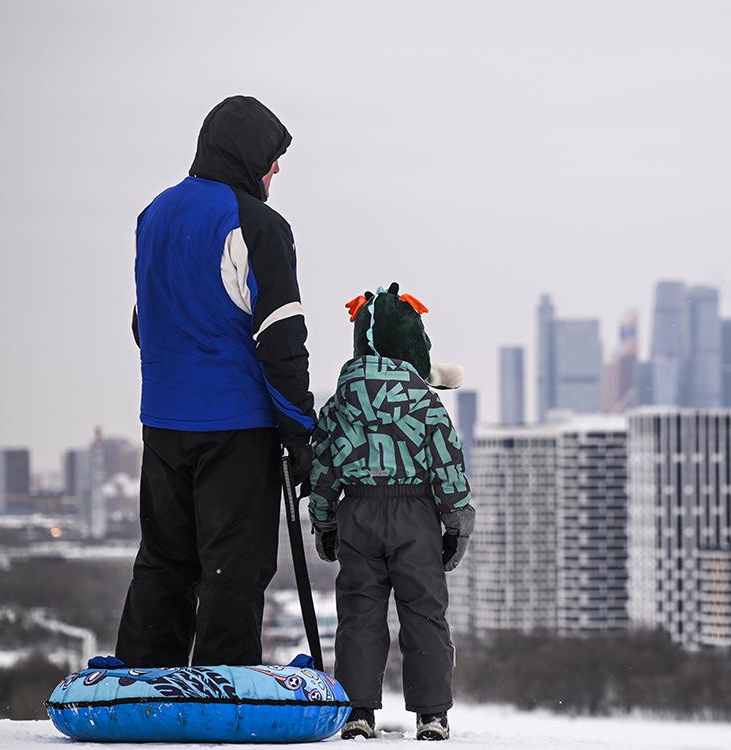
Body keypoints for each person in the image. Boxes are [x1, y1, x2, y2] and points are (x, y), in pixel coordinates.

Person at [116, 95, 316, 668]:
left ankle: (143, 684)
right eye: (272, 158)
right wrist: (301, 432)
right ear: (247, 156)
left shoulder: (154, 215)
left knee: (164, 559)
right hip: (237, 427)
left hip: (163, 422)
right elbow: (280, 338)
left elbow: (143, 319)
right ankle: (220, 686)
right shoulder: (258, 225)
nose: (276, 170)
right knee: (233, 564)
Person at [309, 283, 474, 741]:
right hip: (415, 514)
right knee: (424, 613)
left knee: (360, 614)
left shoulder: (341, 402)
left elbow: (322, 465)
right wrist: (456, 524)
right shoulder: (425, 403)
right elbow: (448, 466)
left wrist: (324, 521)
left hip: (357, 511)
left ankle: (358, 711)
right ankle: (432, 715)